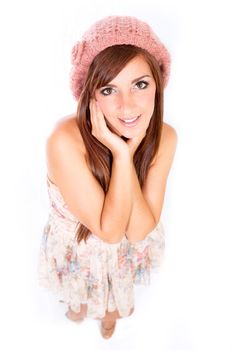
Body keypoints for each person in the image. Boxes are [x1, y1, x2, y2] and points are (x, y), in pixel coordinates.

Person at [37, 15, 177, 339]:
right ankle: (77, 308)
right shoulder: (64, 141)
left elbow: (138, 230)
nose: (127, 106)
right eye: (109, 88)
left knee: (114, 301)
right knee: (78, 295)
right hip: (79, 247)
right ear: (91, 95)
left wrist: (124, 155)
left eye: (140, 84)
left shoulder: (165, 138)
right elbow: (110, 231)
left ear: (157, 84)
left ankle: (109, 317)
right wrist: (121, 151)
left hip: (124, 251)